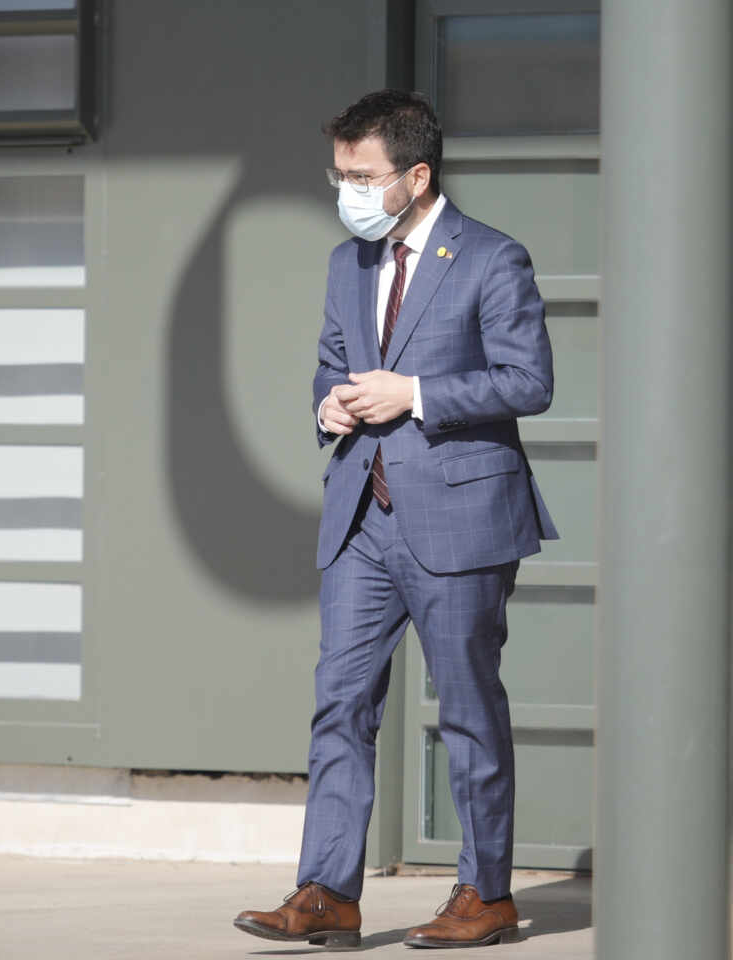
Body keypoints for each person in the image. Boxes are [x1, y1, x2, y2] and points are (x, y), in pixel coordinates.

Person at [234, 89, 558, 949]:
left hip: (461, 519)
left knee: (467, 709)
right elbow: (330, 364)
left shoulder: (492, 258)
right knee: (339, 703)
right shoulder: (348, 263)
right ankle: (326, 891)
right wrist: (329, 406)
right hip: (360, 521)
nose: (347, 189)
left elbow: (529, 382)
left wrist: (413, 394)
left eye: (363, 175)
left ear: (416, 175)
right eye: (339, 173)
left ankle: (484, 894)